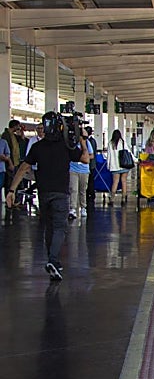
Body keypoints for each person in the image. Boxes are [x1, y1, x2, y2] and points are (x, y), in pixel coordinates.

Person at [5, 111, 86, 280]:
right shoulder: (66, 146)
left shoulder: (37, 147)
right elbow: (85, 158)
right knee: (59, 227)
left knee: (49, 227)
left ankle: (53, 262)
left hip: (43, 193)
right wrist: (80, 138)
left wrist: (12, 190)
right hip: (61, 193)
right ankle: (53, 259)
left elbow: (23, 169)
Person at [67, 121, 91, 221]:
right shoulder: (72, 144)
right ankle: (72, 208)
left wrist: (83, 143)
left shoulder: (87, 144)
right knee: (73, 189)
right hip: (73, 169)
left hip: (84, 170)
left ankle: (83, 207)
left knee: (82, 190)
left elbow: (89, 156)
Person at [109, 128, 132, 204]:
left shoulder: (110, 143)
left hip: (115, 167)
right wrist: (136, 160)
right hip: (124, 165)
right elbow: (129, 153)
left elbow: (109, 156)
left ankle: (112, 199)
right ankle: (123, 199)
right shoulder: (122, 143)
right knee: (124, 182)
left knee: (115, 182)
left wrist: (108, 166)